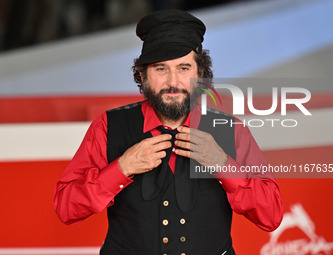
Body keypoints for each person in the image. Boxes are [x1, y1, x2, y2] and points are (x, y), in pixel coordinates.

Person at [53, 9, 283, 255]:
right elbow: (66, 208)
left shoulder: (230, 130)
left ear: (201, 74)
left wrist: (222, 164)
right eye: (161, 69)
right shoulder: (108, 127)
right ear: (142, 75)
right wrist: (121, 168)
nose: (173, 82)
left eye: (184, 68)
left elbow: (271, 216)